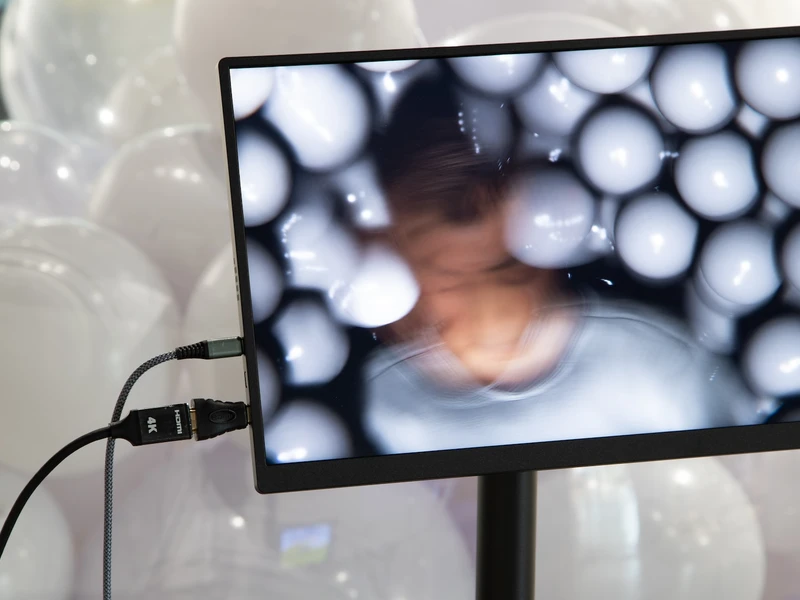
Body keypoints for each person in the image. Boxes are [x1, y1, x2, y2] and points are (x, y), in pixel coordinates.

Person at [360, 76, 759, 455]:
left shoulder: (654, 369)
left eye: (507, 268)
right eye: (450, 282)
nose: (490, 312)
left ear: (548, 245)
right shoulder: (394, 406)